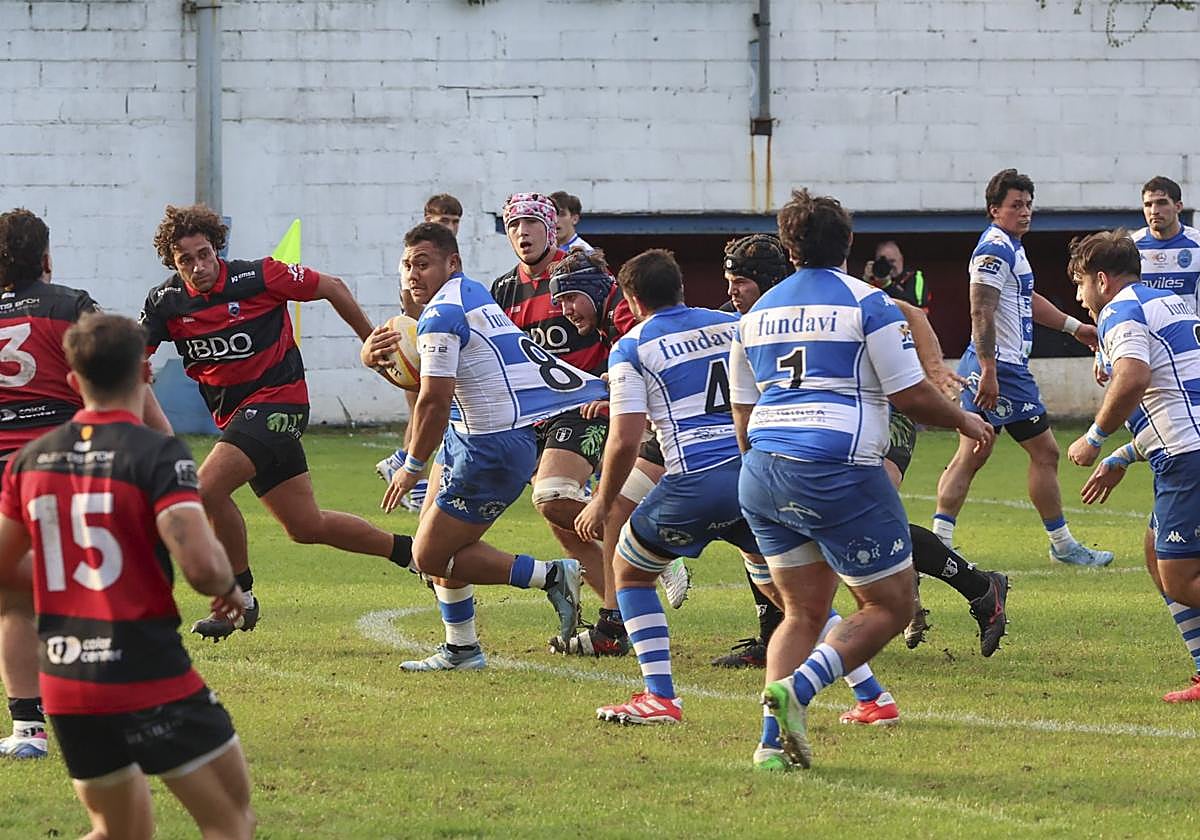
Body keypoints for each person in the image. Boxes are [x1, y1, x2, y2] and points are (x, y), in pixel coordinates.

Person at [575, 249, 900, 730]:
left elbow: (625, 437)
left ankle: (659, 696)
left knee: (630, 570)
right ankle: (873, 696)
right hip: (755, 476)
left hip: (695, 482)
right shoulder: (730, 325)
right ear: (680, 287)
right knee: (794, 600)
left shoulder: (632, 345)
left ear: (632, 300)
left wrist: (603, 500)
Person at [731, 188, 995, 769]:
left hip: (763, 471)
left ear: (788, 245)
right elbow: (910, 393)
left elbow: (744, 414)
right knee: (890, 606)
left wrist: (768, 473)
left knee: (801, 612)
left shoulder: (754, 316)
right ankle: (795, 693)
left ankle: (770, 745)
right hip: (838, 465)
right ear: (847, 242)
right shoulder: (869, 304)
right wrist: (963, 419)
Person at [0, 313, 254, 838]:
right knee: (231, 819)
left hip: (68, 682)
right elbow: (203, 568)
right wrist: (230, 589)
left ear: (73, 381)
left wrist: (62, 582)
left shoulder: (29, 461)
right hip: (146, 673)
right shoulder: (156, 454)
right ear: (146, 373)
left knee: (119, 832)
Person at [722, 234, 1010, 660]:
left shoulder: (845, 296)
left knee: (863, 515)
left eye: (741, 282)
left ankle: (962, 589)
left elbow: (910, 313)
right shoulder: (757, 318)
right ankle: (790, 630)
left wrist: (932, 367)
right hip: (802, 439)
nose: (731, 292)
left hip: (881, 413)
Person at [139, 204, 414, 641]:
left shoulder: (258, 276)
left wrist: (372, 344)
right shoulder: (165, 302)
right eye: (185, 260)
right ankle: (412, 553)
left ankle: (239, 600)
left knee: (205, 489)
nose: (198, 266)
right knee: (306, 527)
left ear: (217, 249)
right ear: (172, 263)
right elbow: (135, 359)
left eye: (204, 254)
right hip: (241, 420)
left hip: (281, 402)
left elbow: (332, 286)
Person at [363, 222, 605, 670]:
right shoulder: (469, 293)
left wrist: (411, 464)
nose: (412, 274)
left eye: (423, 263)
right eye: (406, 265)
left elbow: (432, 399)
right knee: (438, 549)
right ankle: (462, 648)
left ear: (451, 263)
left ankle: (551, 575)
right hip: (469, 434)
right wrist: (372, 358)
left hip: (489, 448)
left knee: (429, 554)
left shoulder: (440, 317)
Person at [0, 209, 172, 760]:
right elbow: (120, 375)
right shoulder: (72, 306)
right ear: (46, 259)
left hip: (5, 474)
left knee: (15, 601)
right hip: (68, 466)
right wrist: (161, 443)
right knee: (99, 587)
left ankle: (27, 731)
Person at [931, 169, 1113, 568]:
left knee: (973, 451)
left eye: (1029, 204)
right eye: (1016, 205)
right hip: (1003, 369)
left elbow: (1025, 299)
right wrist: (990, 369)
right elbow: (981, 310)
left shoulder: (1010, 246)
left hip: (994, 365)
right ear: (994, 210)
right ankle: (1062, 544)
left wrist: (1076, 327)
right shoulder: (995, 249)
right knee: (1045, 452)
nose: (1025, 211)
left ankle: (939, 541)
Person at [1067, 231, 1200, 698]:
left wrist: (1095, 439)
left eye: (1081, 285)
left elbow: (1135, 376)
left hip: (1189, 457)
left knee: (1181, 579)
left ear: (1101, 280)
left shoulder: (1121, 311)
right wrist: (1125, 455)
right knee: (1153, 551)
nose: (1080, 298)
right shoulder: (1169, 304)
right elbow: (1178, 392)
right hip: (1185, 451)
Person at [490, 193, 607, 611]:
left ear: (551, 227)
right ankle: (620, 614)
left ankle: (647, 544)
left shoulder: (581, 272)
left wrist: (618, 381)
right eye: (513, 225)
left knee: (554, 495)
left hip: (588, 407)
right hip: (537, 416)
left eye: (531, 224)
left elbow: (618, 322)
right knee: (563, 522)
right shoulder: (502, 290)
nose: (522, 233)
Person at [376, 193, 466, 509]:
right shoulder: (415, 259)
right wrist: (420, 348)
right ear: (428, 218)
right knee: (425, 412)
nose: (452, 227)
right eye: (444, 221)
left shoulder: (444, 255)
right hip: (418, 345)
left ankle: (405, 469)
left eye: (456, 221)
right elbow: (414, 308)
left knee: (422, 415)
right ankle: (407, 469)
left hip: (428, 342)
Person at [863, 240, 931, 310]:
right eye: (882, 262)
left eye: (892, 261)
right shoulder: (871, 280)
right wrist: (865, 281)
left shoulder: (915, 277)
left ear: (901, 259)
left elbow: (916, 306)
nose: (888, 266)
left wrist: (887, 285)